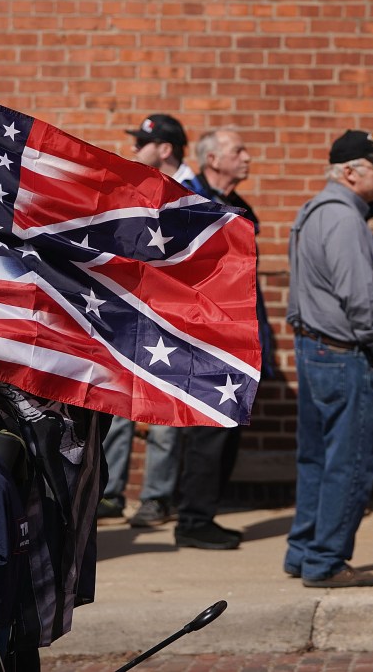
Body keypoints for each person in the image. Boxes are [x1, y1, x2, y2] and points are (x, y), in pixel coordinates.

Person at [284, 129, 373, 588]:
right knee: (349, 462)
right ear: (350, 172)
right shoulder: (346, 220)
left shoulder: (312, 212)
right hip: (345, 352)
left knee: (316, 458)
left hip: (314, 347)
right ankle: (326, 561)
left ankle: (302, 551)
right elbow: (360, 295)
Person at [97, 114, 194, 529]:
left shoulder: (195, 190)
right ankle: (112, 493)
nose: (135, 149)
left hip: (174, 317)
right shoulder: (139, 188)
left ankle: (156, 498)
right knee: (120, 407)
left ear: (165, 148)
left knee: (163, 412)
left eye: (143, 143)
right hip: (134, 312)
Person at [170, 127, 261, 551]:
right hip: (202, 336)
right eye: (238, 150)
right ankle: (192, 519)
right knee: (210, 429)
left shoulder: (241, 207)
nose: (247, 157)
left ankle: (204, 515)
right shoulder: (190, 200)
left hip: (236, 336)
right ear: (213, 160)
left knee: (228, 428)